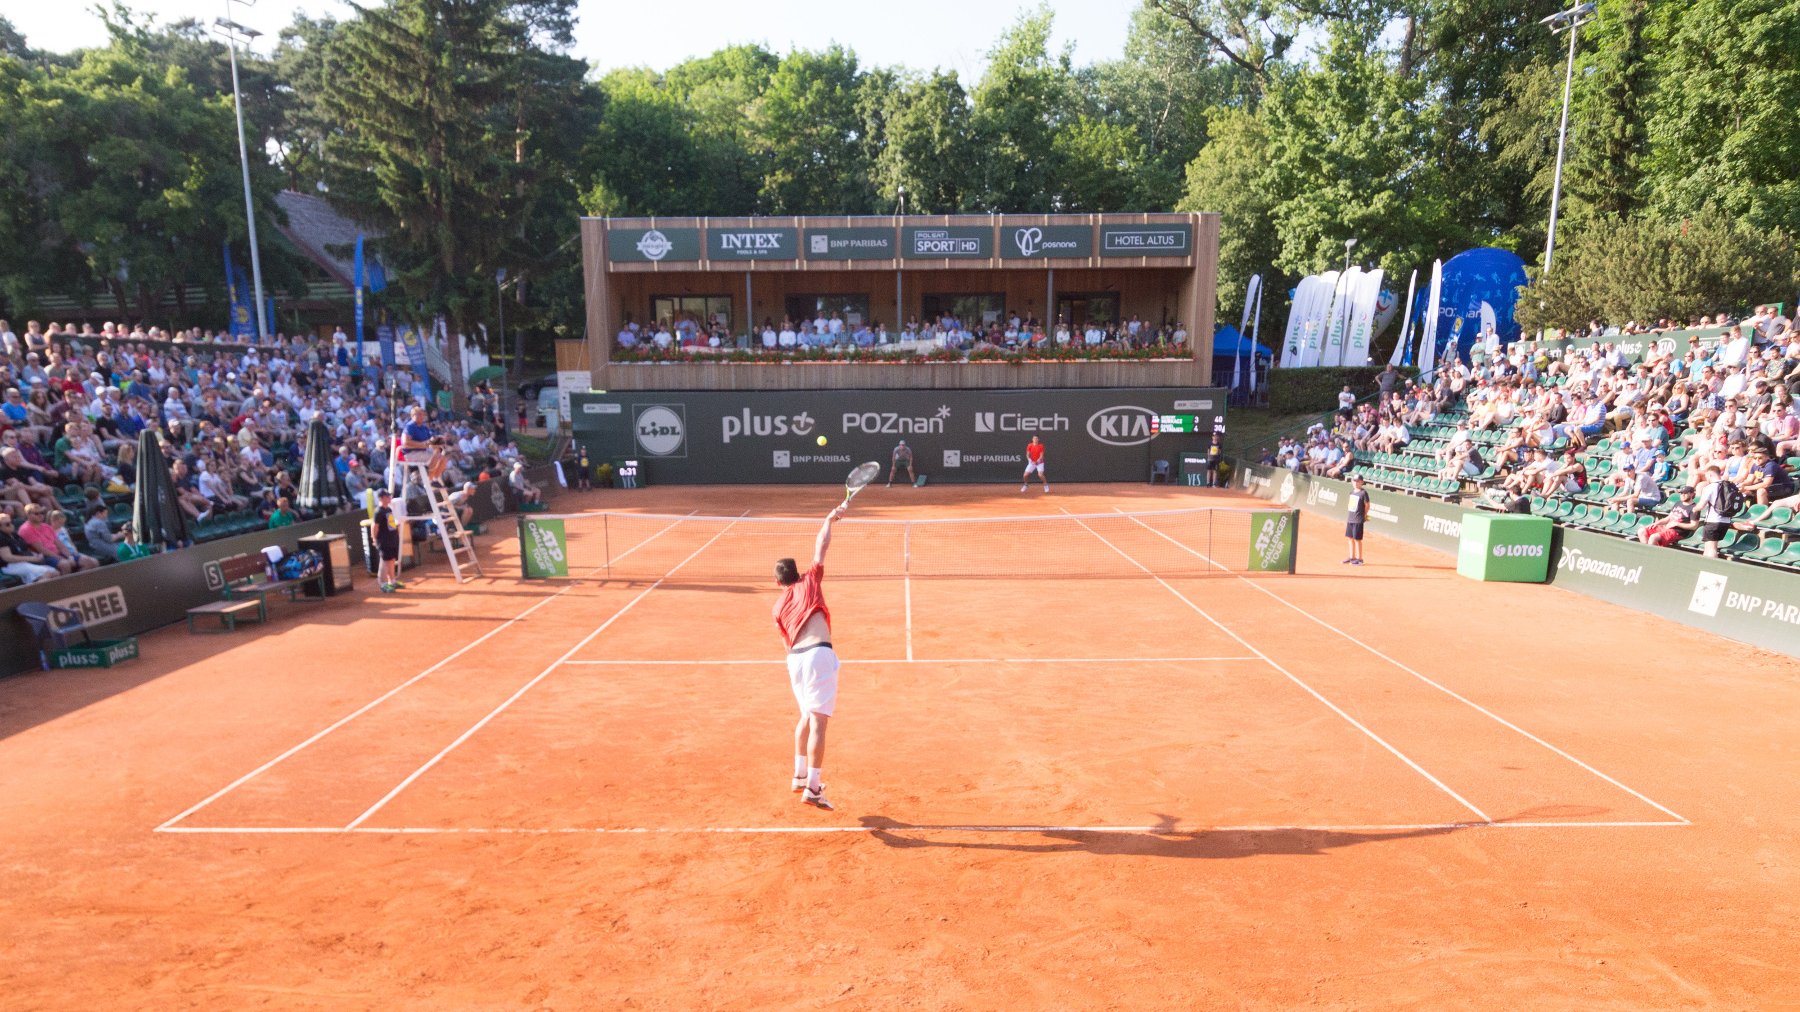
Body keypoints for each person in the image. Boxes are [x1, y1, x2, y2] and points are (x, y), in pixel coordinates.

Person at [773, 504, 849, 812]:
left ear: (779, 582)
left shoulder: (777, 607)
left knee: (805, 715)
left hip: (794, 661)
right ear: (798, 573)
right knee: (819, 722)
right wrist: (830, 519)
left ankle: (799, 774)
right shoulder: (810, 581)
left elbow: (785, 645)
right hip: (818, 655)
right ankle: (814, 788)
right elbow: (821, 545)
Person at [0, 510, 61, 584]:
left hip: (24, 563)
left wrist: (35, 555)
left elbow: (25, 549)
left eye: (11, 522)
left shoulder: (14, 535)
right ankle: (33, 592)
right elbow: (7, 558)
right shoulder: (1, 537)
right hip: (10, 566)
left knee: (55, 572)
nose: (11, 525)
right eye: (7, 524)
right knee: (48, 573)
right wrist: (32, 558)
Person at [373, 488, 404, 592]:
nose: (389, 498)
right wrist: (374, 539)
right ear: (381, 498)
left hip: (391, 540)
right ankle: (383, 584)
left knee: (391, 560)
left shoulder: (388, 510)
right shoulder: (378, 512)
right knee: (385, 562)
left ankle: (392, 581)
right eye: (387, 496)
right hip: (383, 541)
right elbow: (375, 527)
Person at [1344, 474, 1369, 566]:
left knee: (1357, 539)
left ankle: (1360, 559)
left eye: (1358, 481)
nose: (1356, 483)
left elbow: (1367, 505)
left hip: (1358, 519)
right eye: (1354, 481)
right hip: (1350, 518)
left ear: (1362, 482)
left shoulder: (1363, 493)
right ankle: (1352, 557)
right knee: (1350, 538)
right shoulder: (1352, 492)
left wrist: (1364, 515)